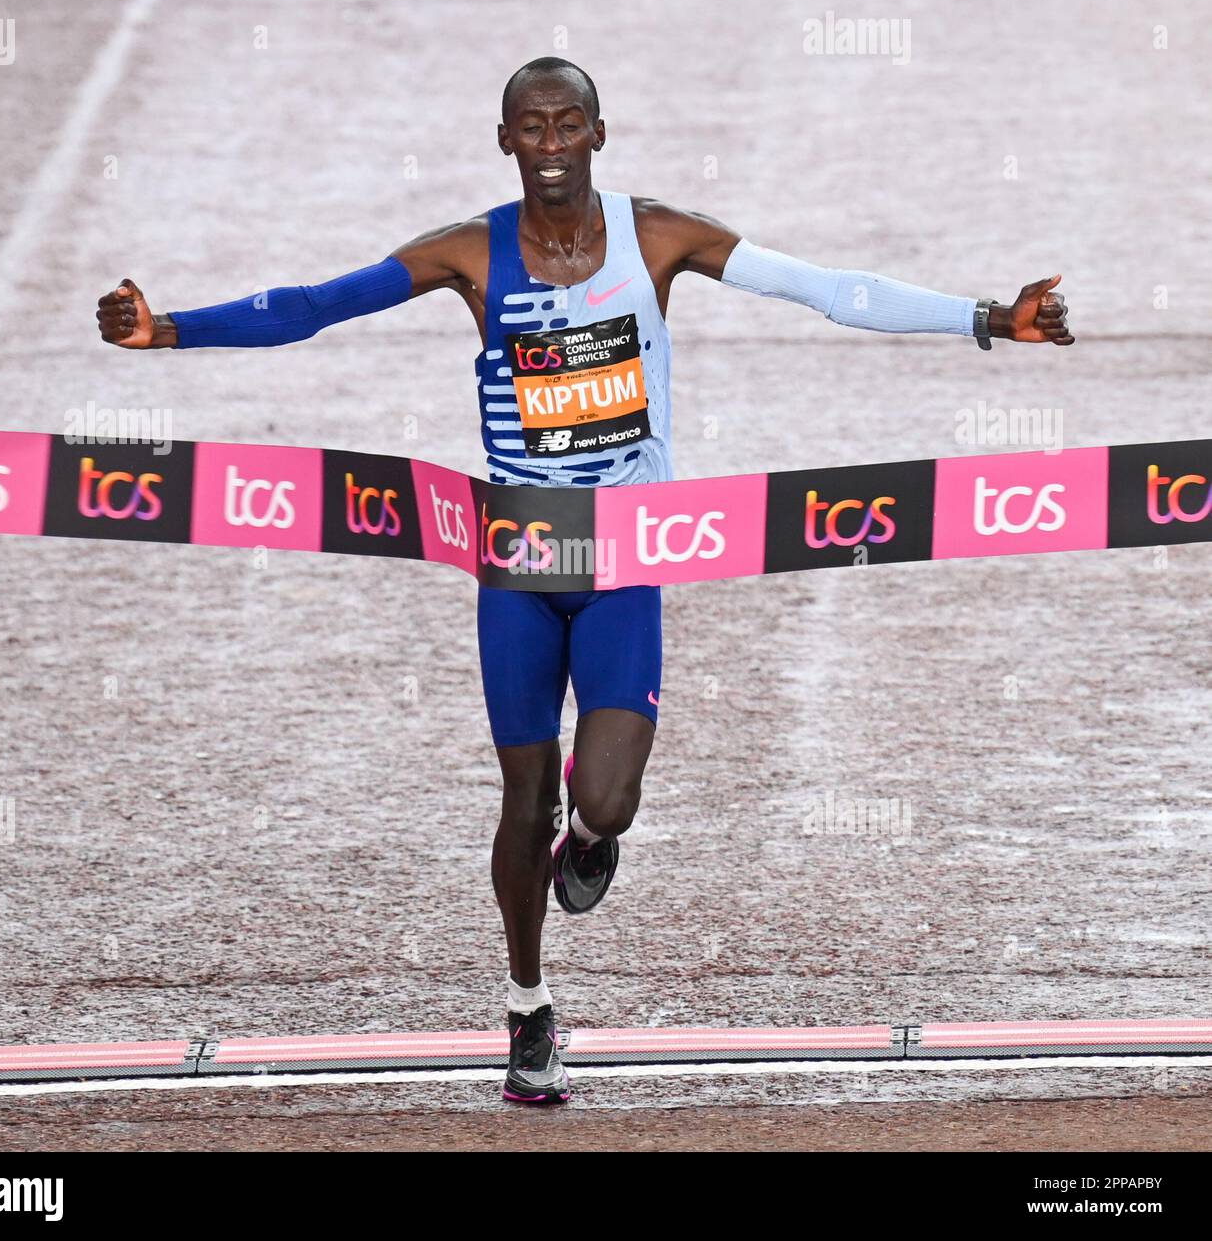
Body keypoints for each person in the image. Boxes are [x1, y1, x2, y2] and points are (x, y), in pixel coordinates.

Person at [97, 56, 1073, 1105]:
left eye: (569, 124)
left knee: (603, 796)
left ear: (599, 135)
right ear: (505, 138)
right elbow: (315, 305)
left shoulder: (656, 236)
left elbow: (830, 290)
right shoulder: (468, 253)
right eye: (532, 126)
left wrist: (985, 316)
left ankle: (592, 837)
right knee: (521, 799)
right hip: (519, 564)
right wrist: (170, 331)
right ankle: (528, 1008)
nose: (552, 143)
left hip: (624, 558)